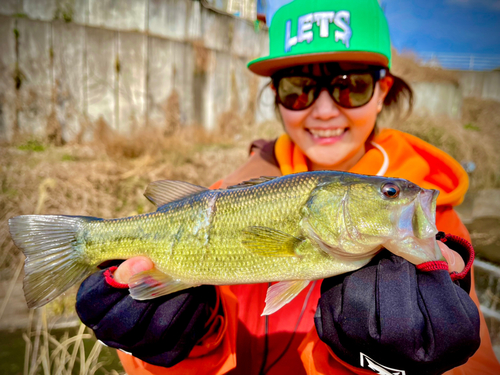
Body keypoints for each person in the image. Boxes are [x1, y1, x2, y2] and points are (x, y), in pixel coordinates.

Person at [76, 0, 500, 374]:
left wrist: (399, 366)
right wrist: (174, 343)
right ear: (276, 96)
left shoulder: (439, 229)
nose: (324, 110)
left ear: (382, 90)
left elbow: (478, 367)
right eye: (298, 90)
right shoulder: (228, 193)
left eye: (351, 85)